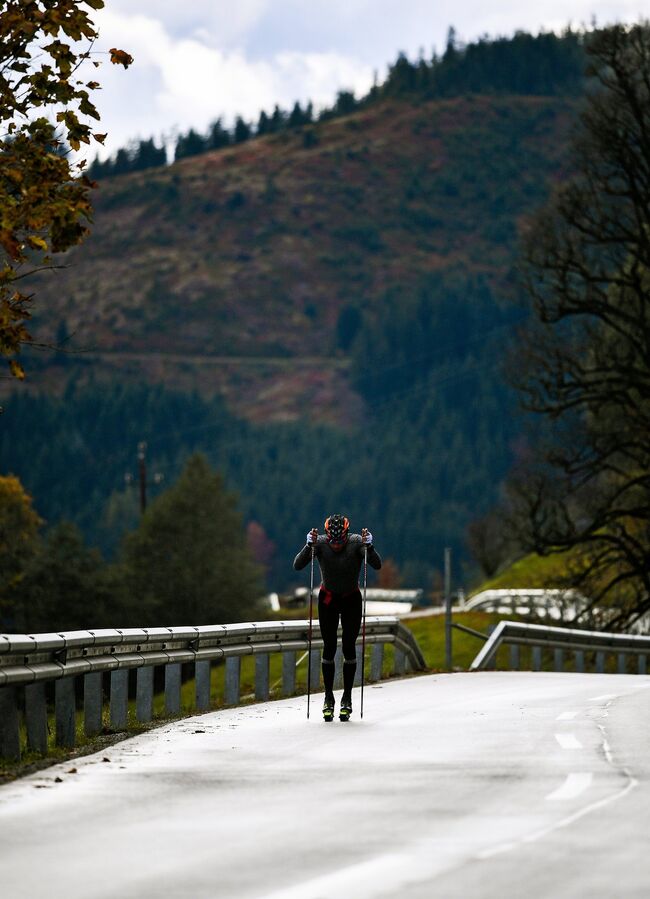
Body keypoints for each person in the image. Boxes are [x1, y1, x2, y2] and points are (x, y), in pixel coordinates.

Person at [293, 514, 382, 721]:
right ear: (327, 536)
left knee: (349, 646)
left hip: (351, 599)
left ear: (346, 534)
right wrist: (308, 546)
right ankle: (328, 698)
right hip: (328, 599)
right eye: (333, 541)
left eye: (340, 540)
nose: (336, 545)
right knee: (329, 647)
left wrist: (370, 547)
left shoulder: (356, 543)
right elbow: (298, 565)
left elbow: (376, 565)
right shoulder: (321, 544)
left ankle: (347, 698)